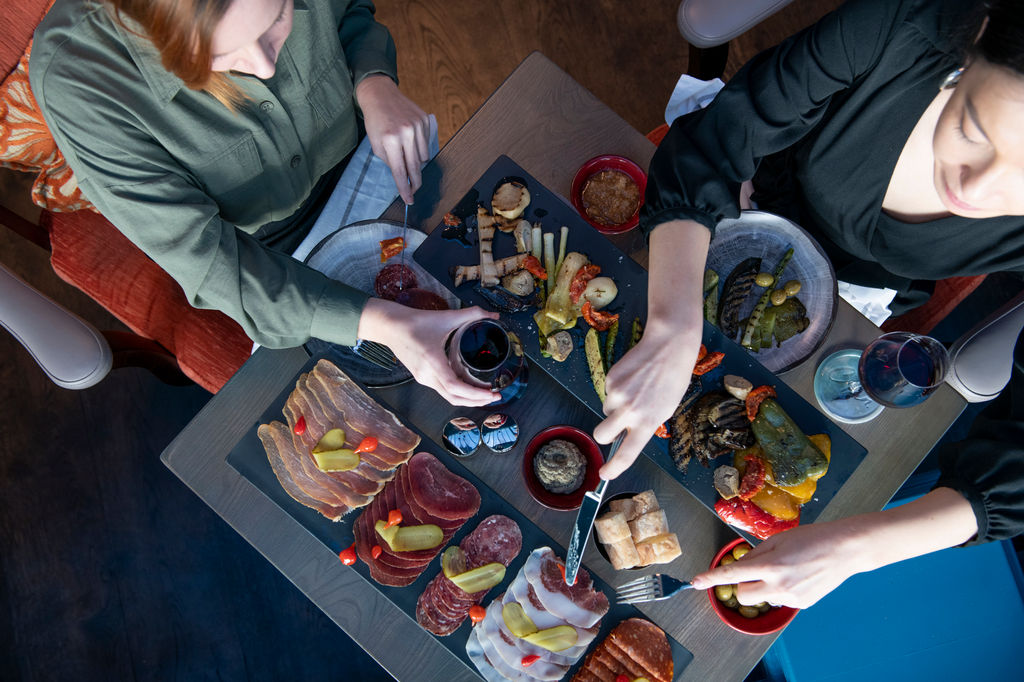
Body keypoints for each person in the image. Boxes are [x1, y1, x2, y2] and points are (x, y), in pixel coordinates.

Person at [592, 0, 1024, 607]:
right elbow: (717, 142)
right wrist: (673, 323)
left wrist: (855, 549)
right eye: (973, 129)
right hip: (755, 189)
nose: (974, 188)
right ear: (975, 39)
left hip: (871, 289)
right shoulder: (901, 22)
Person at [30, 0, 497, 406]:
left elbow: (350, 10)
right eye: (217, 57)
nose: (265, 67)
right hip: (268, 256)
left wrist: (374, 82)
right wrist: (389, 326)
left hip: (365, 155)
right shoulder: (80, 80)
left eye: (278, 16)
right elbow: (216, 265)